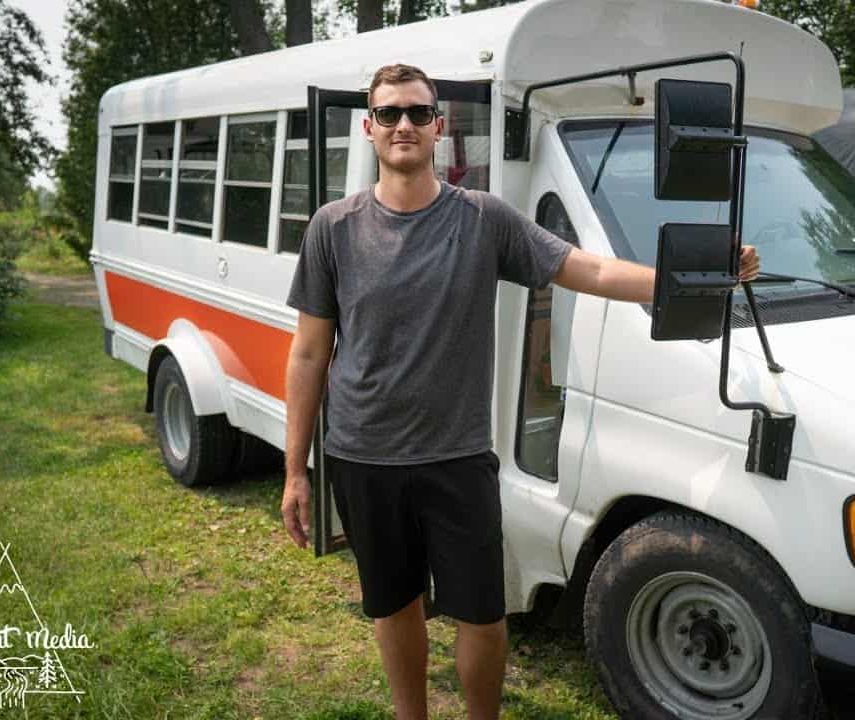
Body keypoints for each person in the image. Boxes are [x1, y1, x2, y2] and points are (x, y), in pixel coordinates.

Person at [280, 63, 760, 720]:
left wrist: (697, 275)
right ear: (368, 127)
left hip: (458, 458)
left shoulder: (482, 220)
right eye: (388, 113)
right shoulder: (333, 228)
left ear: (439, 126)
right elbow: (308, 353)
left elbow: (586, 267)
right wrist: (296, 470)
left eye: (418, 113)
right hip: (365, 456)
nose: (403, 125)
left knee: (482, 615)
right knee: (393, 606)